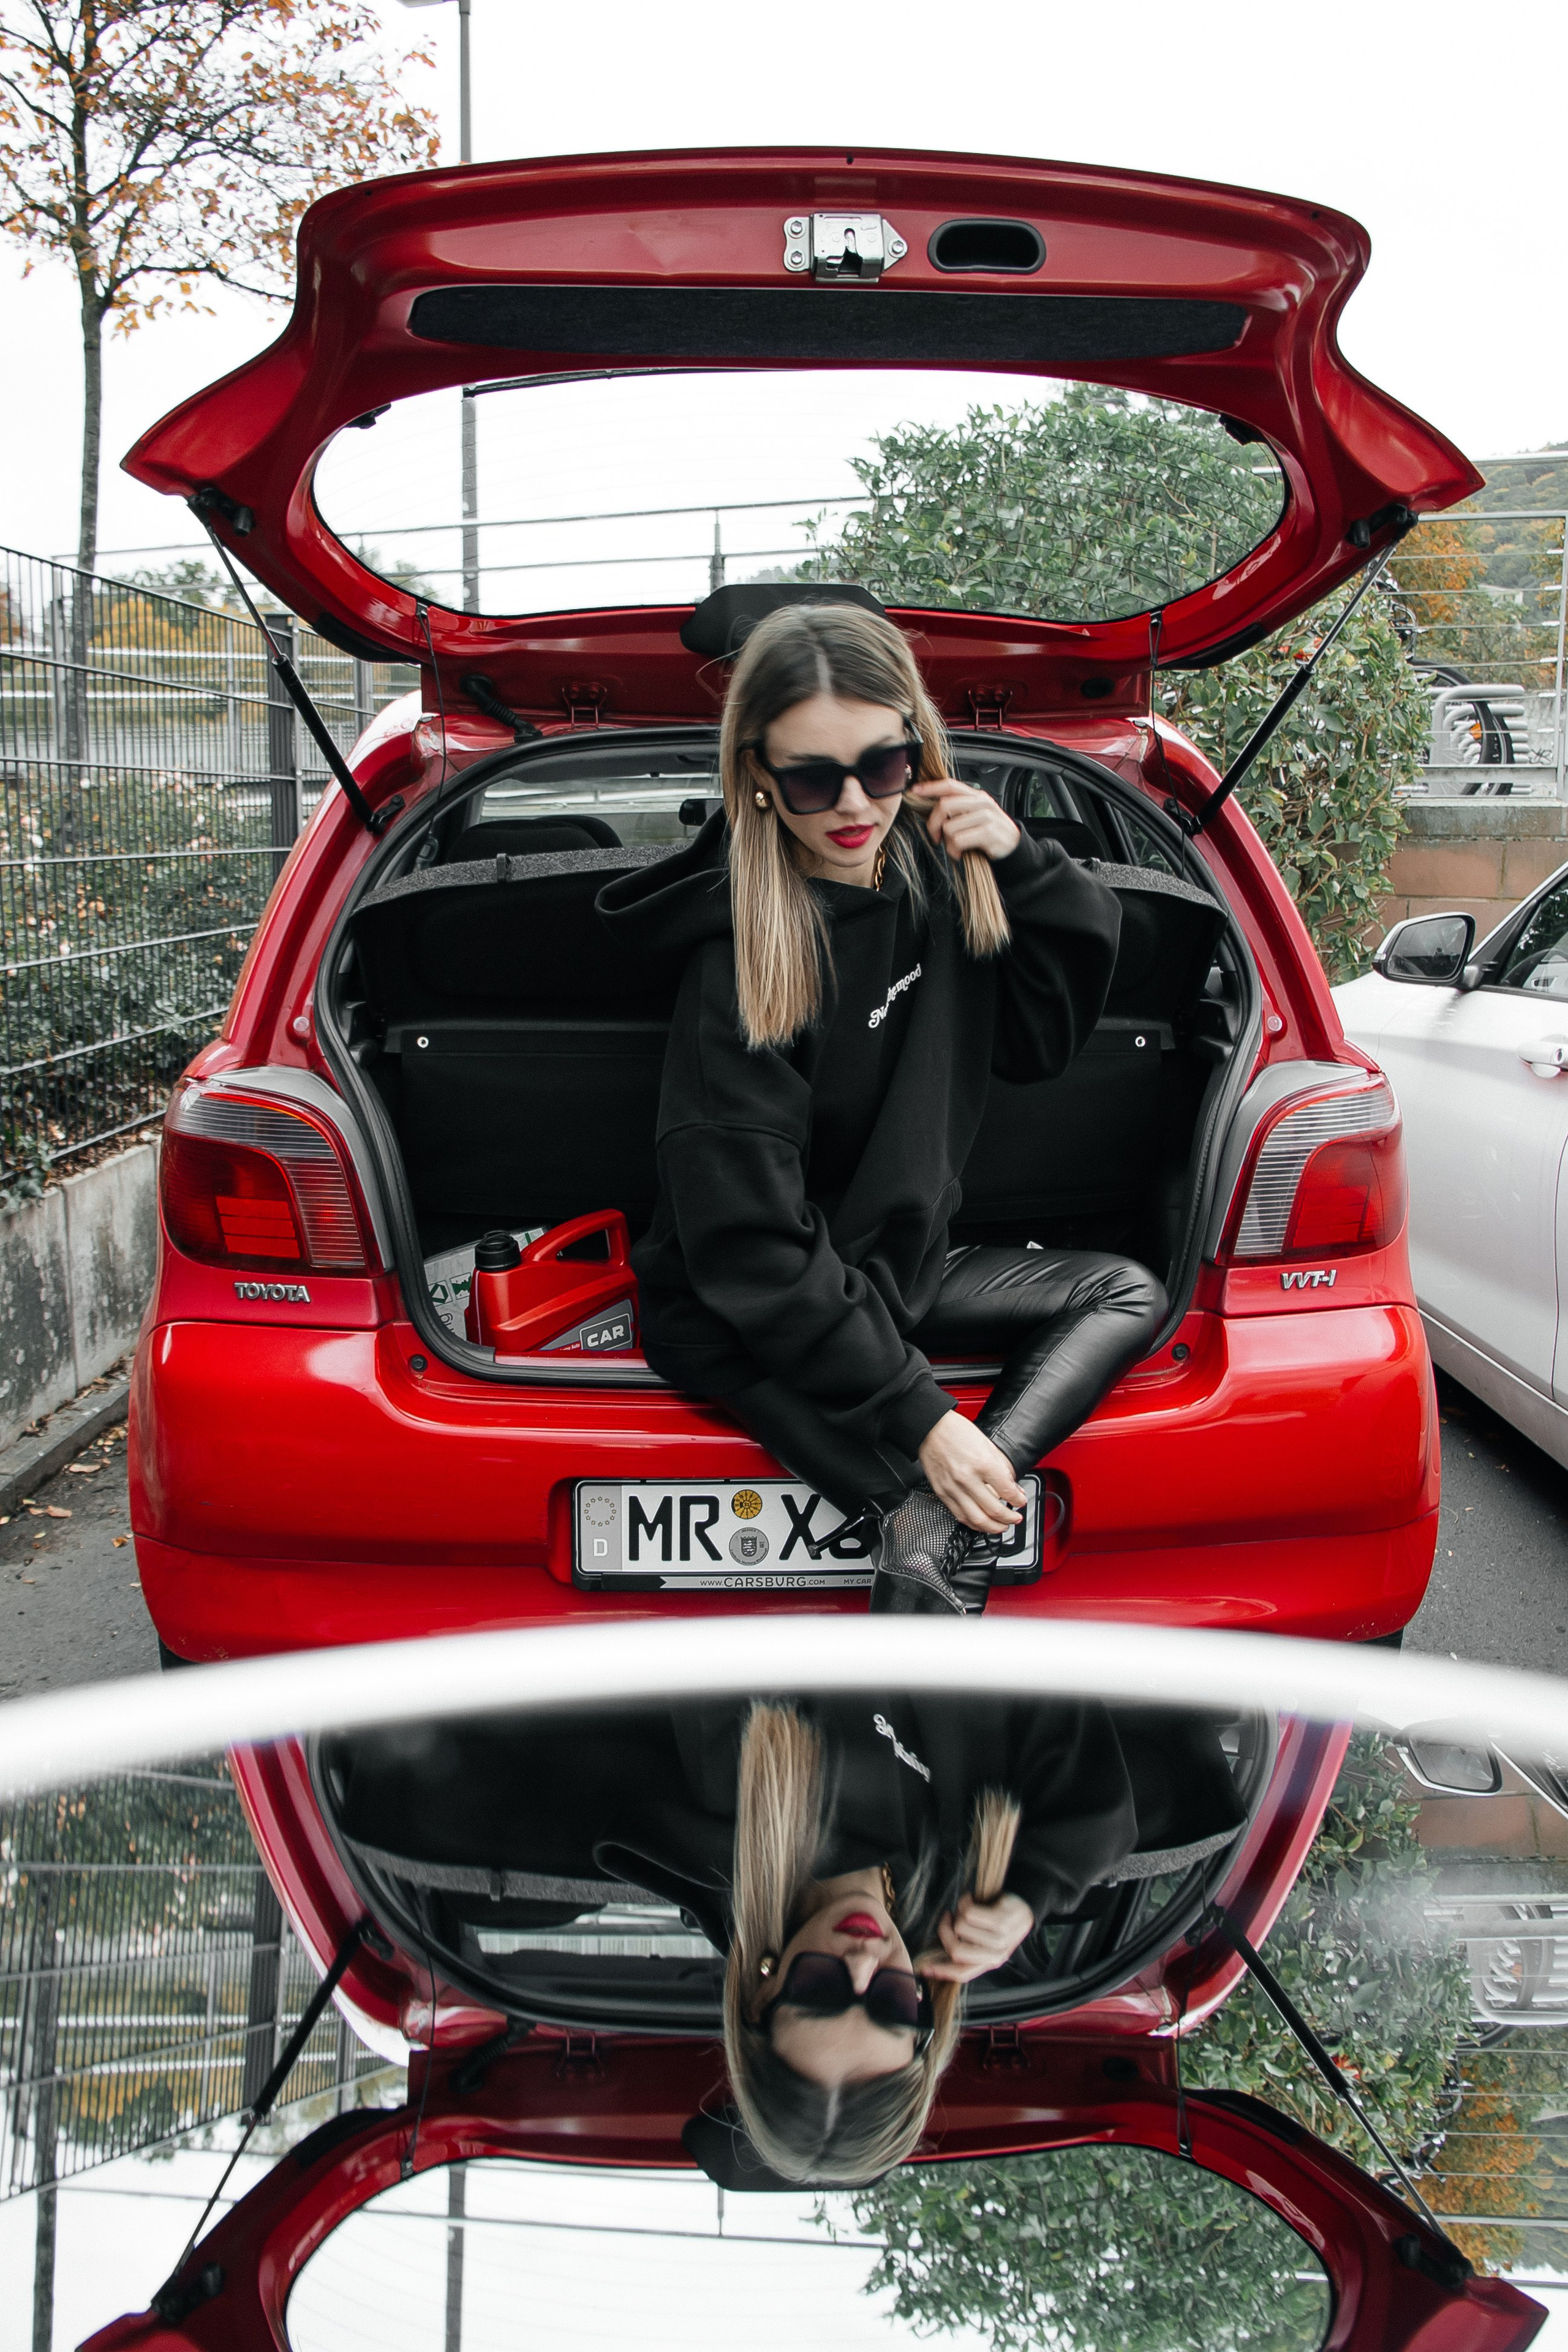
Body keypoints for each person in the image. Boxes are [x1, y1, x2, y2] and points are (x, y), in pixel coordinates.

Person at [597, 601, 1166, 1612]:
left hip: (893, 1271)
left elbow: (1042, 1044)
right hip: (747, 1320)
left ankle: (933, 1533)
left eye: (884, 766)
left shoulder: (941, 885)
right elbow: (748, 1247)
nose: (854, 804)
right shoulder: (739, 961)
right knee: (942, 1575)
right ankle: (923, 1729)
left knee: (1122, 1292)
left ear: (920, 748)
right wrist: (924, 1420)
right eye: (814, 777)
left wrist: (1029, 866)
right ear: (760, 781)